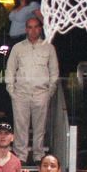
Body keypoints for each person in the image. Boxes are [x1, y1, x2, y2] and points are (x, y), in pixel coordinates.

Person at [5, 17, 59, 163]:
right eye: (29, 27)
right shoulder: (18, 47)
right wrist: (11, 90)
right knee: (20, 125)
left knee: (39, 126)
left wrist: (50, 91)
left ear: (40, 28)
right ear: (25, 29)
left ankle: (38, 156)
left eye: (35, 27)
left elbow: (54, 71)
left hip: (41, 92)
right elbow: (10, 70)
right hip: (21, 92)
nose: (32, 30)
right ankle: (20, 156)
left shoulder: (48, 47)